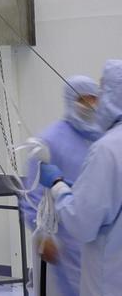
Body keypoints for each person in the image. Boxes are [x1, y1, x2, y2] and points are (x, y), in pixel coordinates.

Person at [39, 60, 122, 296]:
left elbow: (81, 223)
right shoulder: (54, 137)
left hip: (109, 279)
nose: (94, 102)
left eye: (100, 91)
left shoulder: (106, 148)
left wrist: (59, 187)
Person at [21, 75, 101, 296]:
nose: (90, 105)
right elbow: (31, 194)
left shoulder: (101, 138)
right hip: (62, 241)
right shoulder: (50, 140)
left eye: (94, 99)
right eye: (84, 99)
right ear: (70, 100)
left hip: (96, 235)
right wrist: (43, 237)